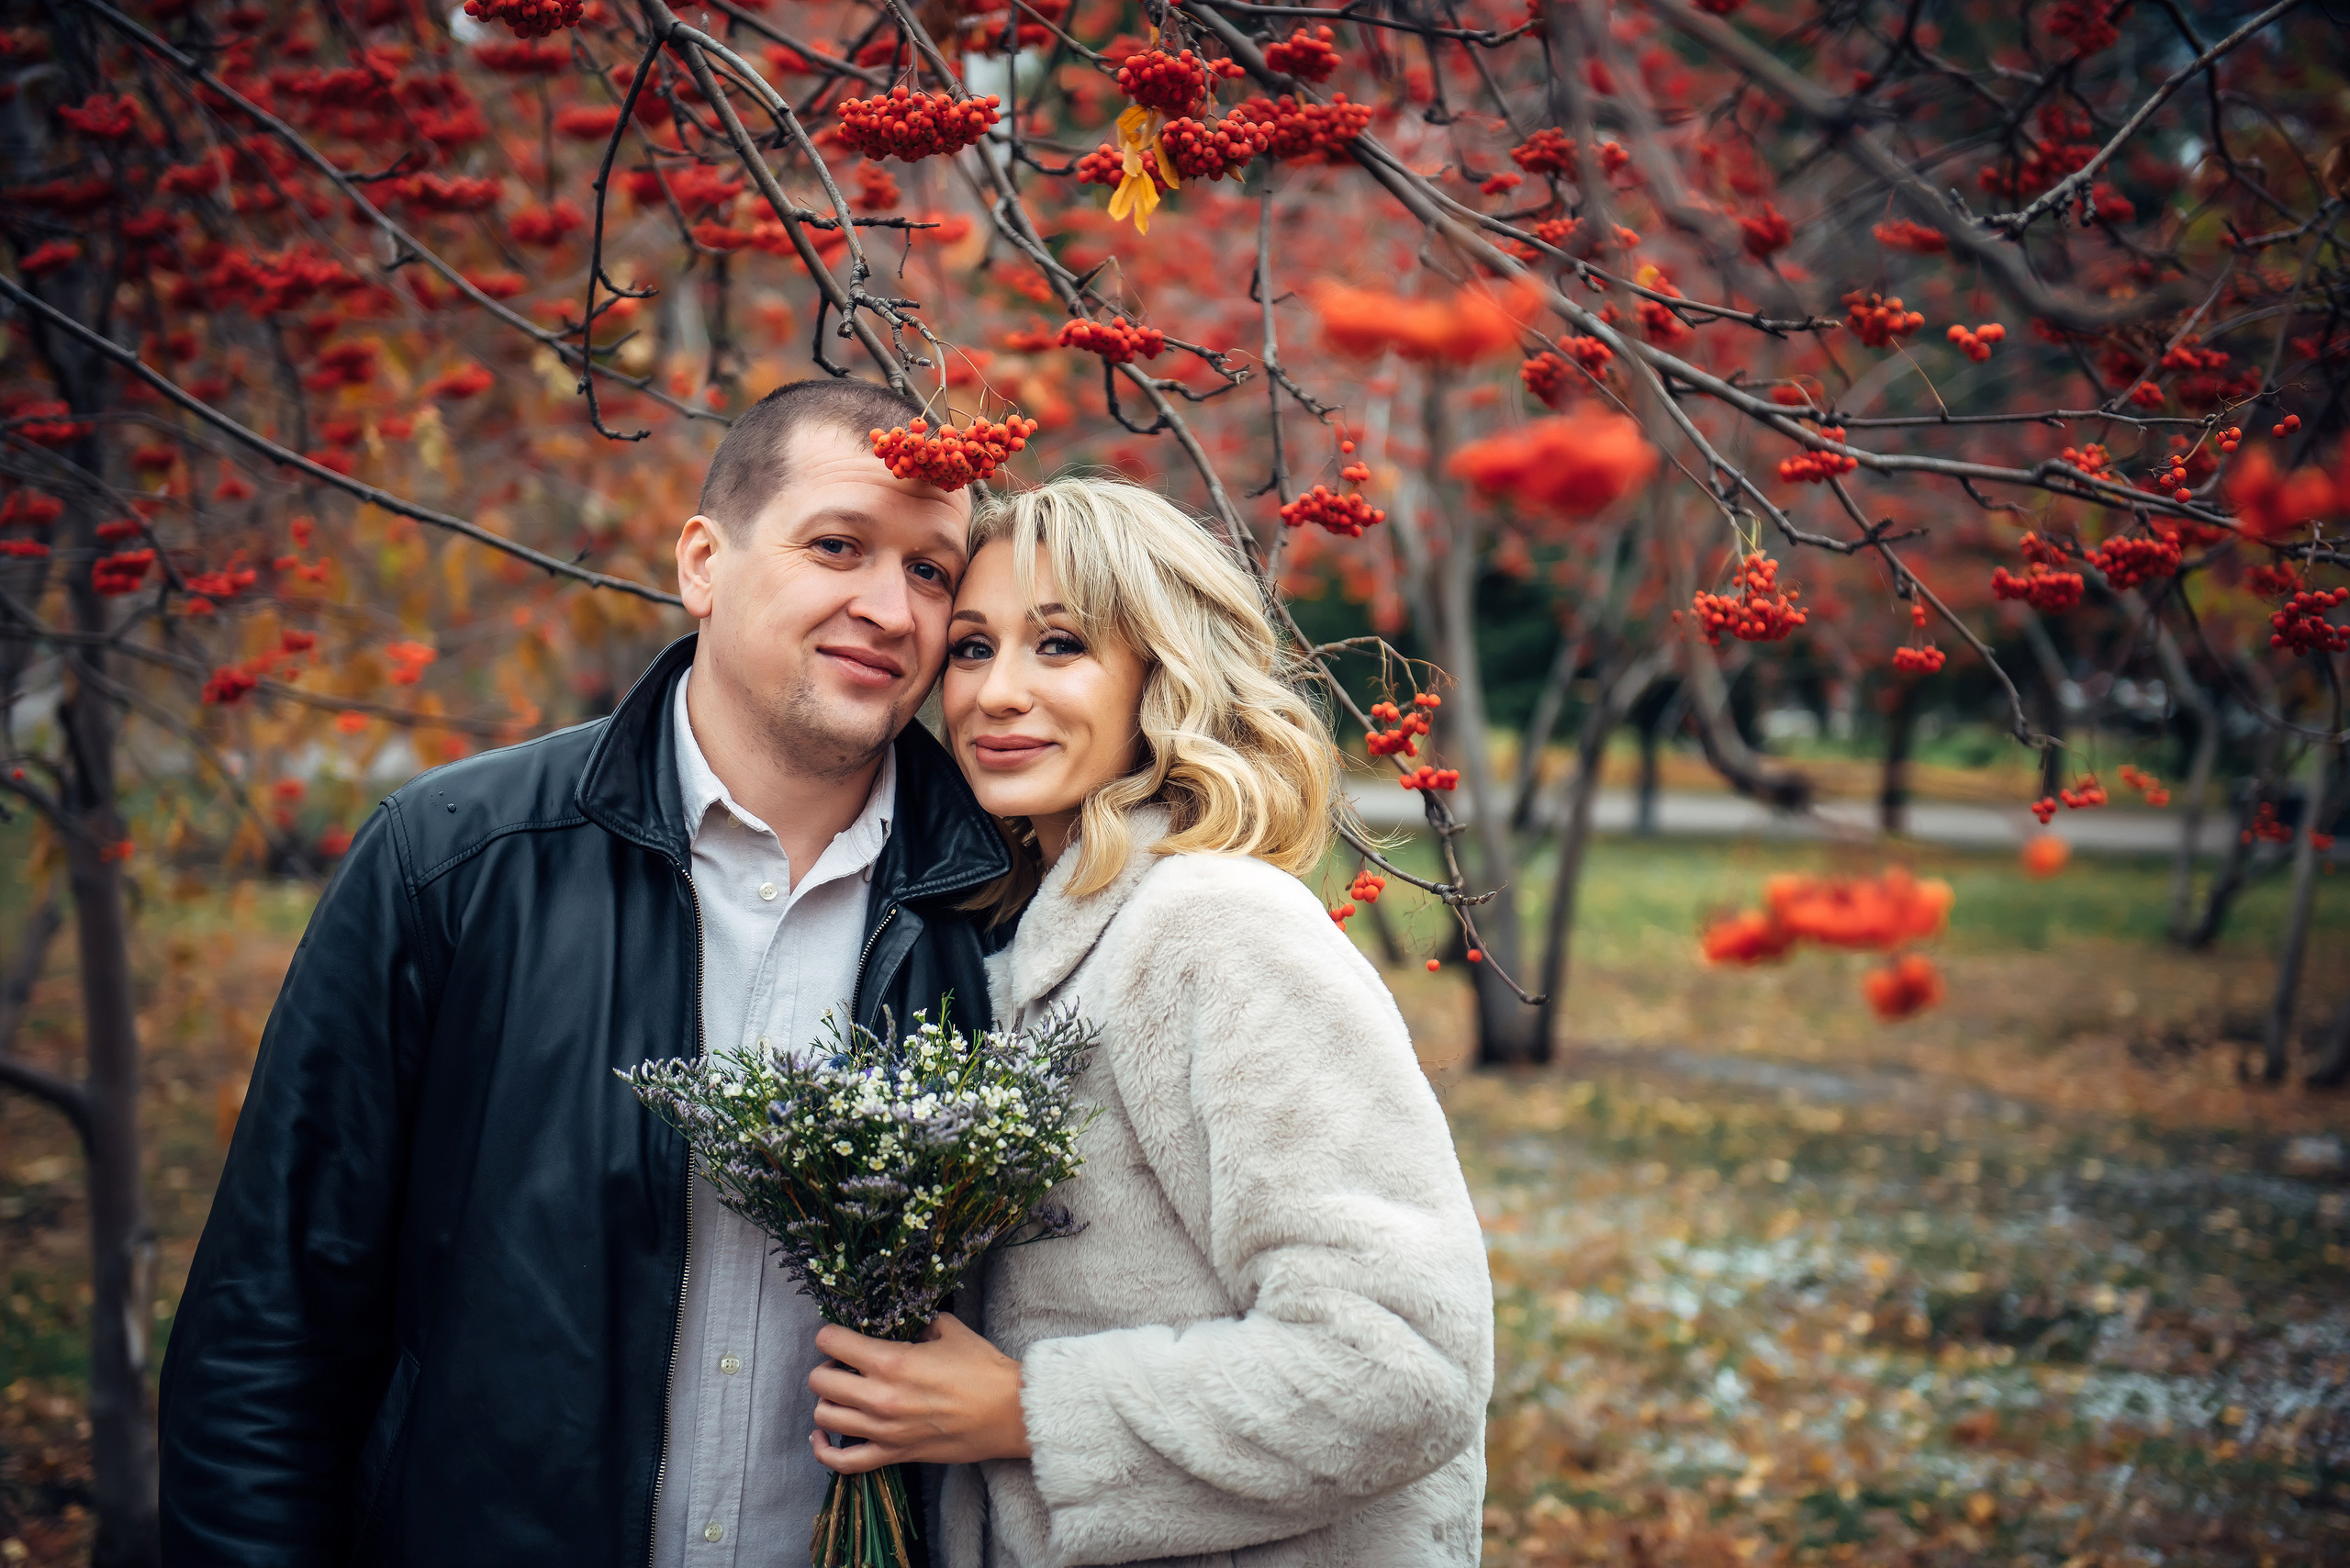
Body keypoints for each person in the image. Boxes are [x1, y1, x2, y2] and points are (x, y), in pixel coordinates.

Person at [157, 379, 1012, 1566]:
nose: (889, 606)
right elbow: (274, 1318)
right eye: (839, 546)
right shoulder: (454, 860)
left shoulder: (1000, 906)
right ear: (704, 563)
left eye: (932, 572)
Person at [801, 476, 1494, 1566]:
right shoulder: (1024, 945)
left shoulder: (1216, 926)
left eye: (1060, 646)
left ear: (1160, 676)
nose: (996, 693)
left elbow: (1402, 1367)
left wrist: (1028, 1412)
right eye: (973, 649)